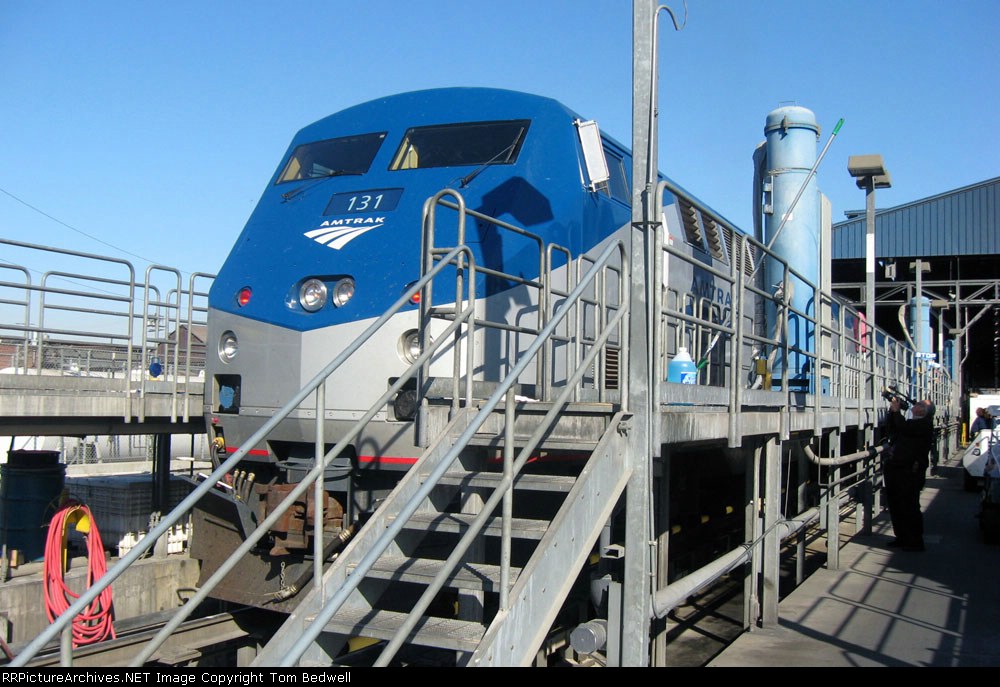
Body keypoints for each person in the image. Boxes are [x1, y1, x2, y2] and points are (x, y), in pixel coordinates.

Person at [882, 398, 934, 551]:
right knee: (896, 505)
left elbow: (903, 427)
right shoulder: (914, 423)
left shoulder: (924, 424)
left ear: (923, 411)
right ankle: (902, 537)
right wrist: (893, 412)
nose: (915, 405)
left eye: (919, 404)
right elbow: (894, 428)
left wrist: (897, 411)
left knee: (909, 506)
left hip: (910, 471)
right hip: (898, 469)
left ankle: (914, 541)